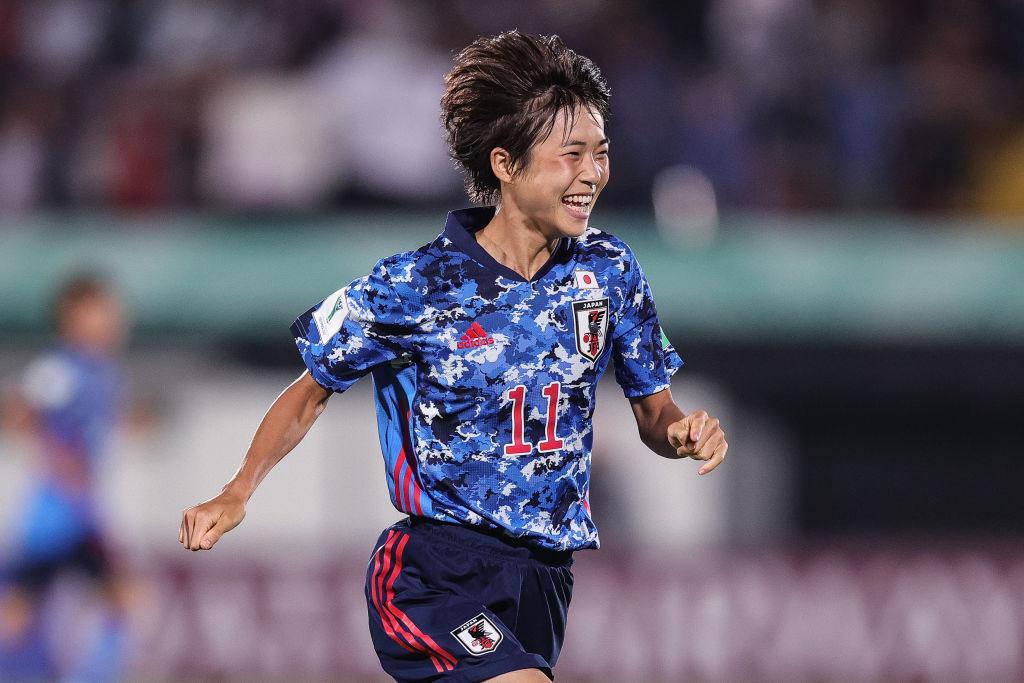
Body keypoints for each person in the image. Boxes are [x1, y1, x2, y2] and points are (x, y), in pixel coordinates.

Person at [179, 31, 728, 683]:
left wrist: (683, 431)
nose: (591, 174)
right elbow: (310, 386)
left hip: (545, 578)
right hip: (434, 571)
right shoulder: (415, 284)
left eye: (599, 154)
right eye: (569, 155)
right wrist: (237, 489)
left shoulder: (609, 272)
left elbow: (652, 409)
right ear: (506, 163)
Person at [1, 273, 130, 682]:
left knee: (115, 601)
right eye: (102, 310)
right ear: (73, 317)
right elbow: (19, 412)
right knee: (22, 610)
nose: (113, 318)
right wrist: (59, 459)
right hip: (56, 514)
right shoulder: (62, 367)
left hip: (79, 511)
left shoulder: (101, 371)